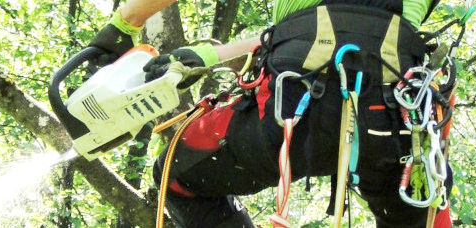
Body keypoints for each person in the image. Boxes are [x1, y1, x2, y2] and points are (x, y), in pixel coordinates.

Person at [89, 0, 453, 227]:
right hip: (394, 124)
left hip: (288, 111)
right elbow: (340, 28)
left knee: (177, 175)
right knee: (424, 208)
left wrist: (122, 24)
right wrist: (208, 56)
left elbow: (301, 35)